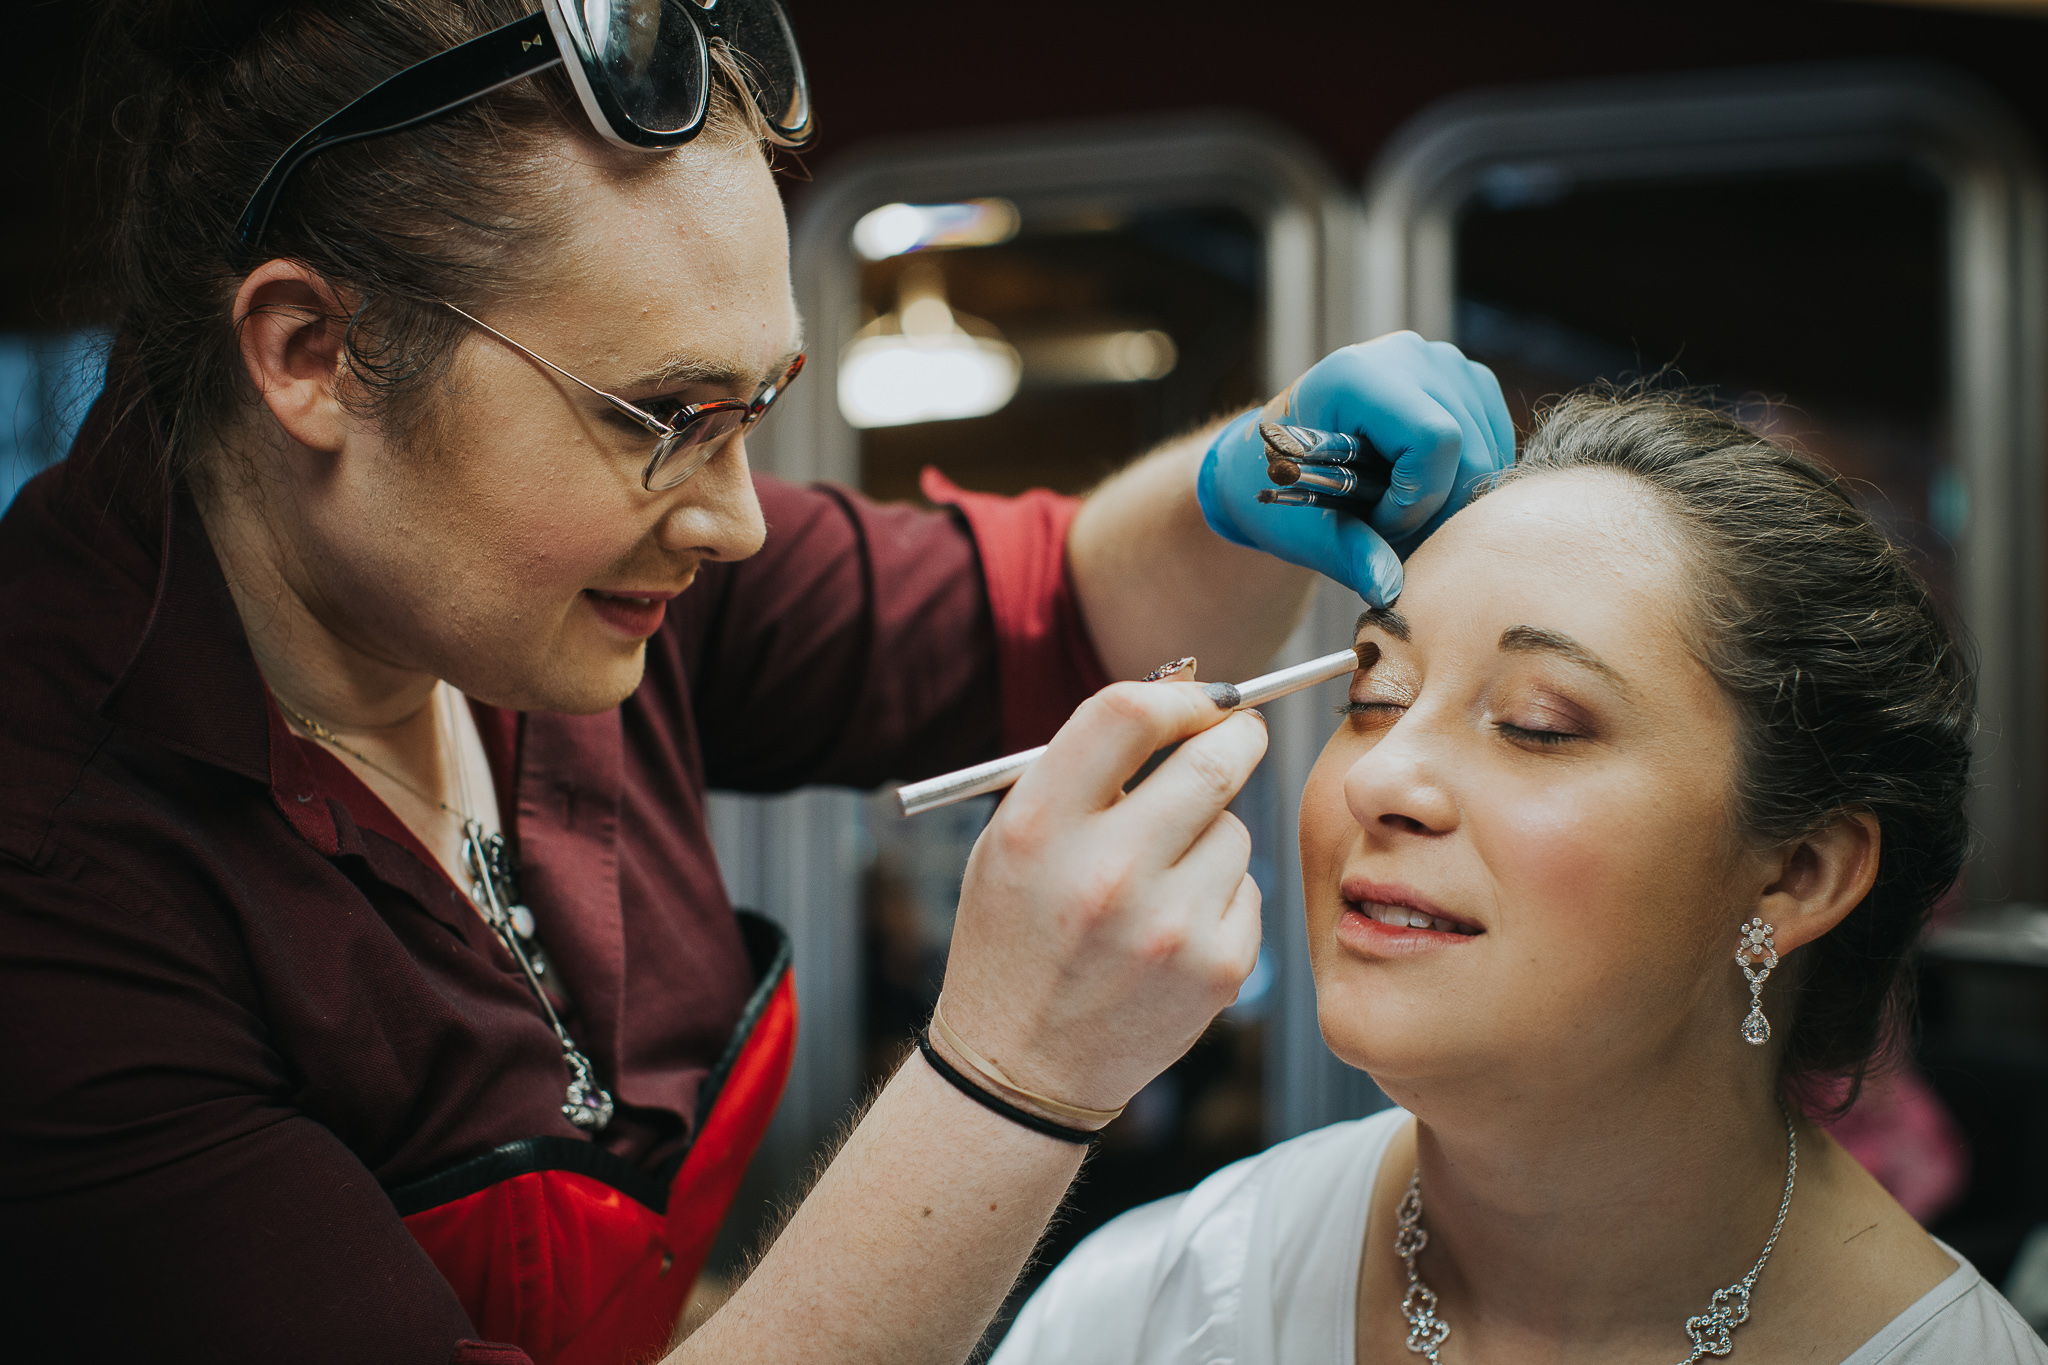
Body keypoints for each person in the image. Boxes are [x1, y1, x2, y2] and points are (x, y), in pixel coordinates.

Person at [0, 2, 1513, 1363]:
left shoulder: (560, 579)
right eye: (664, 414)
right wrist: (1010, 1074)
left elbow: (1043, 611)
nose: (734, 524)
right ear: (311, 352)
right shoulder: (56, 875)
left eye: (755, 405)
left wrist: (1242, 480)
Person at [994, 389, 2048, 1364]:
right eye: (1374, 696)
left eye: (1537, 725)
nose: (1381, 777)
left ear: (1799, 874)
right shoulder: (1158, 1305)